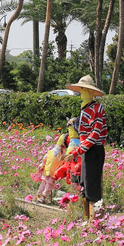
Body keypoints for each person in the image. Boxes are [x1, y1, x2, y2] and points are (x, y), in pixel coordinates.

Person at [64, 75, 107, 221]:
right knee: (84, 185)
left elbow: (95, 134)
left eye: (83, 89)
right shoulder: (85, 108)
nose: (80, 93)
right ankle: (88, 220)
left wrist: (77, 151)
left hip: (93, 150)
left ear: (89, 91)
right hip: (86, 150)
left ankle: (95, 222)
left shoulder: (97, 108)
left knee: (92, 187)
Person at [36, 133, 68, 204]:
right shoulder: (51, 152)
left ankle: (43, 197)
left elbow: (63, 163)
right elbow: (45, 159)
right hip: (47, 171)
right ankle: (39, 196)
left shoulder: (63, 155)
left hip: (53, 173)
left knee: (48, 186)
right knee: (43, 184)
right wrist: (42, 164)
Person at [54, 117, 81, 186]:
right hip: (80, 159)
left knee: (72, 171)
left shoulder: (69, 138)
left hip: (72, 157)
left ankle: (75, 191)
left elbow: (57, 149)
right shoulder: (83, 137)